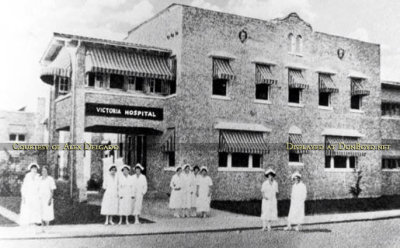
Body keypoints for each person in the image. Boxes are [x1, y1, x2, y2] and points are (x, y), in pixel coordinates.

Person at [38, 166, 56, 231]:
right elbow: (37, 189)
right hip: (40, 198)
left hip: (47, 199)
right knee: (41, 213)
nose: (44, 172)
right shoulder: (39, 179)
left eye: (45, 171)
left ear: (47, 171)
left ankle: (47, 227)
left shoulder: (50, 179)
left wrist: (50, 199)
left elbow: (52, 190)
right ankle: (42, 228)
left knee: (47, 213)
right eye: (42, 171)